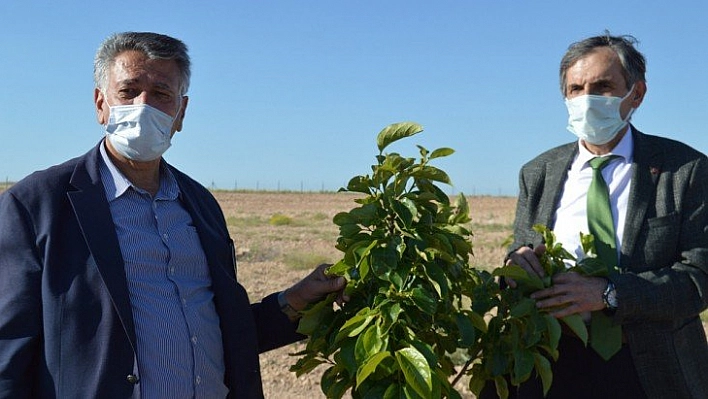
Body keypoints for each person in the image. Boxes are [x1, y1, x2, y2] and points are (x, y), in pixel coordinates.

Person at [0, 32, 345, 398]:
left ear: (180, 112)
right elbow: (8, 355)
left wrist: (295, 300)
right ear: (101, 103)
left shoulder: (200, 205)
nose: (144, 106)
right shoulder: (39, 205)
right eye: (129, 91)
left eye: (162, 94)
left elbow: (222, 332)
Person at [482, 34, 708, 398]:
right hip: (552, 359)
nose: (586, 99)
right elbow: (521, 249)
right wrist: (517, 265)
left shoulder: (684, 170)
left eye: (602, 86)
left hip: (645, 366)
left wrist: (609, 294)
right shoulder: (538, 172)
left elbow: (699, 278)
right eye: (576, 88)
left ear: (636, 94)